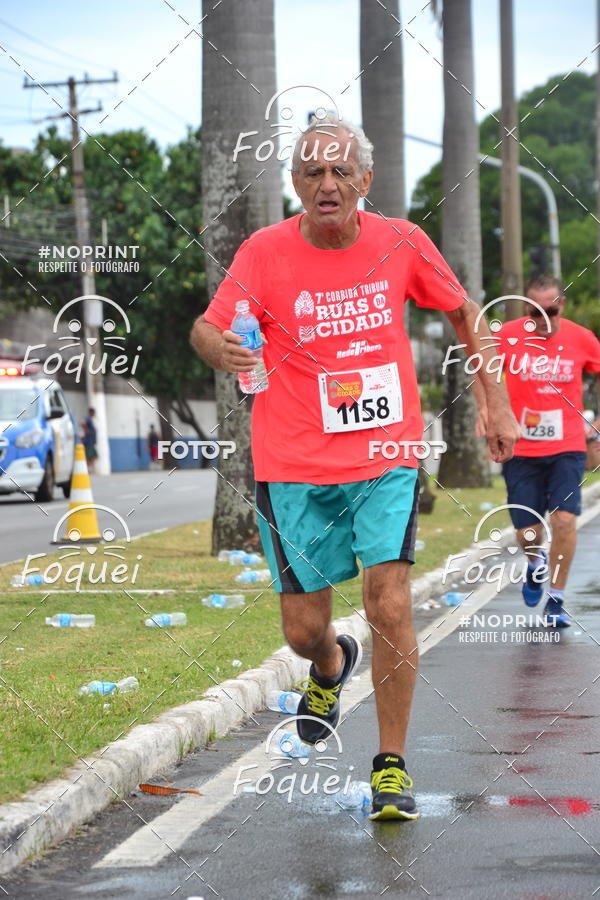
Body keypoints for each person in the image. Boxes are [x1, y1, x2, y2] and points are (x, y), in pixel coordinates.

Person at [191, 114, 518, 820]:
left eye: (342, 171)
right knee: (301, 630)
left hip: (384, 455)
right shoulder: (264, 252)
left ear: (366, 180)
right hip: (293, 460)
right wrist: (222, 350)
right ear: (296, 183)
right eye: (314, 171)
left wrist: (496, 402)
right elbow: (207, 327)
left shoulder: (402, 242)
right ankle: (332, 664)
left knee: (389, 603)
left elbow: (467, 314)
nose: (328, 183)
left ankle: (390, 766)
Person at [477, 274, 600, 628]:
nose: (542, 318)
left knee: (564, 519)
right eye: (534, 310)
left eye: (550, 310)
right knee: (527, 532)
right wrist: (487, 410)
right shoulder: (507, 336)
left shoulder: (581, 338)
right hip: (521, 447)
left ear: (561, 304)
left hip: (568, 447)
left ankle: (557, 600)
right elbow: (479, 370)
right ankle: (535, 564)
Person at [81, 407, 97, 474]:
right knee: (89, 456)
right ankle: (88, 469)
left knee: (94, 456)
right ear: (91, 413)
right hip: (88, 441)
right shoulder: (87, 418)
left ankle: (89, 468)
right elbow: (82, 423)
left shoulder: (90, 419)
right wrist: (86, 430)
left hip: (91, 441)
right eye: (93, 413)